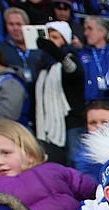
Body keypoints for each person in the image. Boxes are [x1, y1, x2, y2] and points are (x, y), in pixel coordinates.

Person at [32, 21, 86, 166]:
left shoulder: (71, 58)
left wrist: (58, 55)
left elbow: (73, 72)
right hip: (47, 125)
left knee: (75, 162)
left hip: (72, 123)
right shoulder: (42, 65)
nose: (51, 41)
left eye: (55, 37)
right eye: (49, 37)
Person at [80, 16, 109, 104]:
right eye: (85, 29)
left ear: (102, 32)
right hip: (89, 104)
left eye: (90, 29)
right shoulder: (82, 54)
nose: (85, 33)